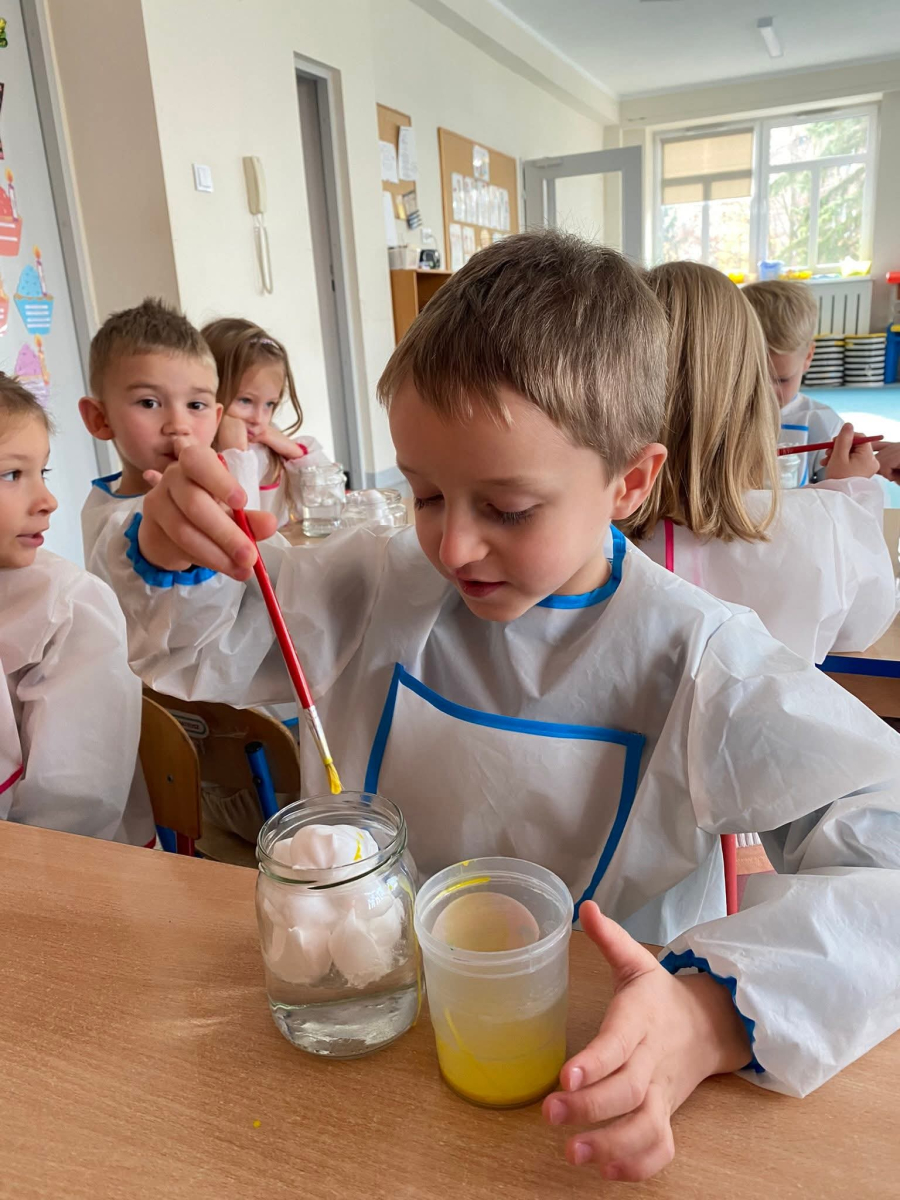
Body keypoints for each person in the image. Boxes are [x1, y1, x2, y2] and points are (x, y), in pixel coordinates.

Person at [105, 233, 899, 1183]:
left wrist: (707, 1012)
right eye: (425, 493)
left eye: (510, 509)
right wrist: (176, 552)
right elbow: (201, 639)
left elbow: (884, 855)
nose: (454, 547)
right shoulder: (378, 585)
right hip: (372, 1020)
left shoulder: (697, 657)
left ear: (629, 481)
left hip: (598, 1060)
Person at [621, 262, 895, 665]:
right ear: (750, 391)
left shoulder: (580, 528)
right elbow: (862, 622)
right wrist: (850, 496)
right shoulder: (818, 529)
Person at [0, 373, 153, 844]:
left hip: (55, 864)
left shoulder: (69, 607)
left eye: (41, 472)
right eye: (11, 474)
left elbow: (70, 813)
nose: (48, 501)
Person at [78, 298, 260, 588]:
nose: (178, 425)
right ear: (100, 418)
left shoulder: (224, 478)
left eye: (196, 405)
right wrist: (162, 555)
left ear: (216, 419)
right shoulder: (111, 522)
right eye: (149, 403)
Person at [206, 317, 332, 530]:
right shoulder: (202, 455)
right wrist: (237, 455)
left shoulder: (267, 442)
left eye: (269, 404)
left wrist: (294, 452)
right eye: (245, 400)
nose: (259, 418)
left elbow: (326, 504)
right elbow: (243, 531)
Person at [742, 279, 848, 484]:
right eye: (751, 380)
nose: (766, 393)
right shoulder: (717, 417)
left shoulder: (821, 422)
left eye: (782, 380)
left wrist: (846, 475)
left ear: (808, 356)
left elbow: (836, 494)